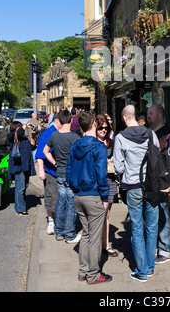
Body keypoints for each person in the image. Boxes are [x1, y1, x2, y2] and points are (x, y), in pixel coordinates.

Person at [113, 104, 160, 283]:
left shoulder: (121, 138)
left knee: (138, 228)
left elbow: (118, 167)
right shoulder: (151, 133)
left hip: (133, 186)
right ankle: (149, 267)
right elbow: (158, 156)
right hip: (152, 186)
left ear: (125, 118)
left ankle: (141, 271)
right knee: (152, 226)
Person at [66, 111, 112, 285]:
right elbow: (102, 174)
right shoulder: (99, 146)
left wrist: (75, 188)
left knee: (86, 234)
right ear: (94, 124)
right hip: (93, 195)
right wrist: (105, 196)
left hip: (78, 195)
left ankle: (83, 271)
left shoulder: (75, 145)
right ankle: (93, 274)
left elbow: (68, 171)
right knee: (94, 236)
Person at [147, 104, 170, 265]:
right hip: (152, 183)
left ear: (160, 116)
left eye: (151, 113)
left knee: (163, 216)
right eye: (148, 113)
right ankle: (158, 246)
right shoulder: (152, 134)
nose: (148, 116)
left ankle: (166, 250)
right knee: (155, 216)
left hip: (164, 184)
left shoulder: (168, 137)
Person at [43, 109, 81, 243]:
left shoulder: (54, 135)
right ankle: (69, 234)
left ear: (59, 120)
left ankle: (59, 232)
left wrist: (54, 163)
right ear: (71, 120)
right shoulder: (75, 138)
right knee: (71, 203)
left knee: (60, 201)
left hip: (59, 173)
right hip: (71, 174)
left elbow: (45, 151)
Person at [35, 114, 62, 234]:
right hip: (51, 172)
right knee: (51, 197)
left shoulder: (65, 132)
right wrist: (41, 170)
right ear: (57, 121)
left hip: (63, 172)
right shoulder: (47, 134)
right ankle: (51, 221)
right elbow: (40, 154)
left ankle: (60, 221)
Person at [96, 114, 118, 257]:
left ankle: (106, 244)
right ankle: (96, 245)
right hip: (96, 183)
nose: (104, 130)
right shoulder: (92, 142)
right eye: (101, 128)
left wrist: (113, 162)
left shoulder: (111, 142)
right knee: (97, 215)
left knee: (107, 214)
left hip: (109, 181)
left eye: (106, 128)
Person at [7, 121, 36, 215]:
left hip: (25, 165)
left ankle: (19, 206)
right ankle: (20, 209)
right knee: (20, 188)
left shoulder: (23, 138)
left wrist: (32, 136)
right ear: (14, 128)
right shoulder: (11, 136)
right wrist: (25, 126)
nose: (21, 130)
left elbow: (32, 147)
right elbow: (18, 133)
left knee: (24, 186)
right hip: (18, 165)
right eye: (18, 128)